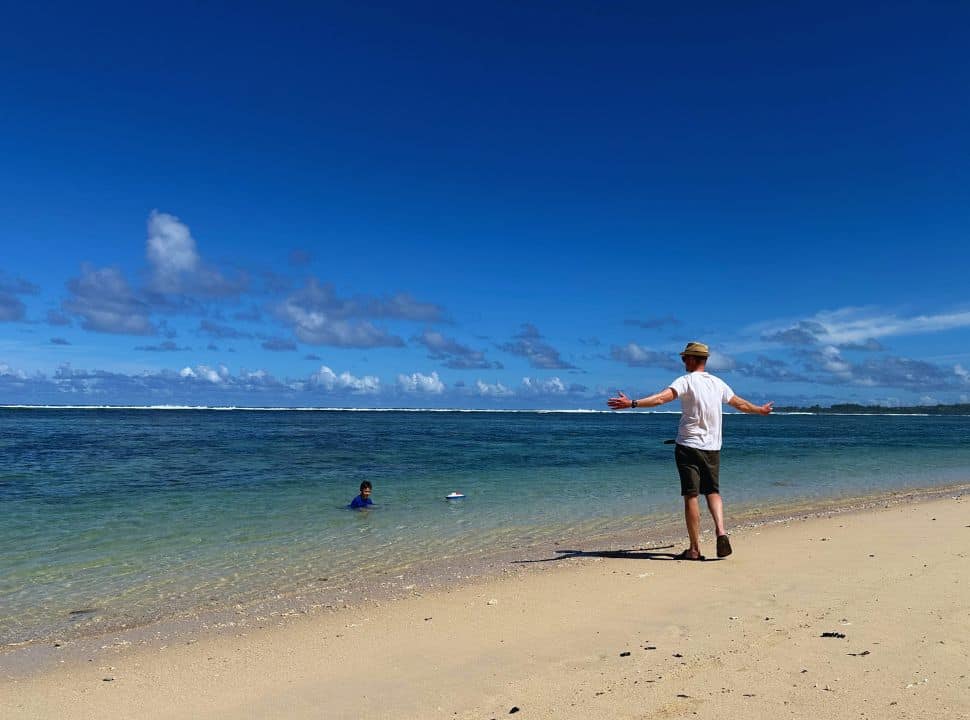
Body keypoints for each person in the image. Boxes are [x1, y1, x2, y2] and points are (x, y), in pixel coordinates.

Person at [607, 341, 773, 560]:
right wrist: (759, 410)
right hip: (713, 447)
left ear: (693, 359)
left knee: (691, 495)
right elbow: (740, 404)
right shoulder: (718, 383)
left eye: (685, 358)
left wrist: (632, 403)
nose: (683, 361)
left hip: (688, 445)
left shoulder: (685, 381)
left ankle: (694, 549)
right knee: (713, 491)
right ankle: (721, 531)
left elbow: (660, 398)